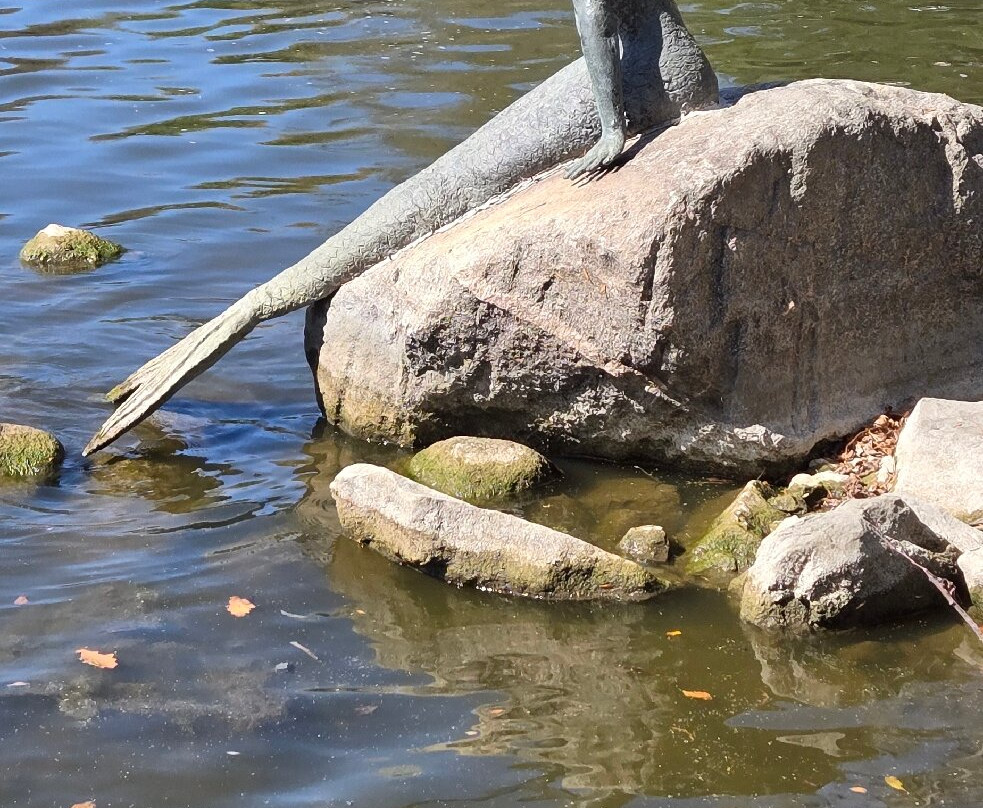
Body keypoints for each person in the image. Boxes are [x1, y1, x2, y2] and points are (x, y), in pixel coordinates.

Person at [84, 0, 717, 455]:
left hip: (649, 82)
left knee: (446, 187)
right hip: (673, 68)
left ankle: (251, 309)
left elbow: (593, 11)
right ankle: (250, 309)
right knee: (443, 184)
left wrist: (611, 128)